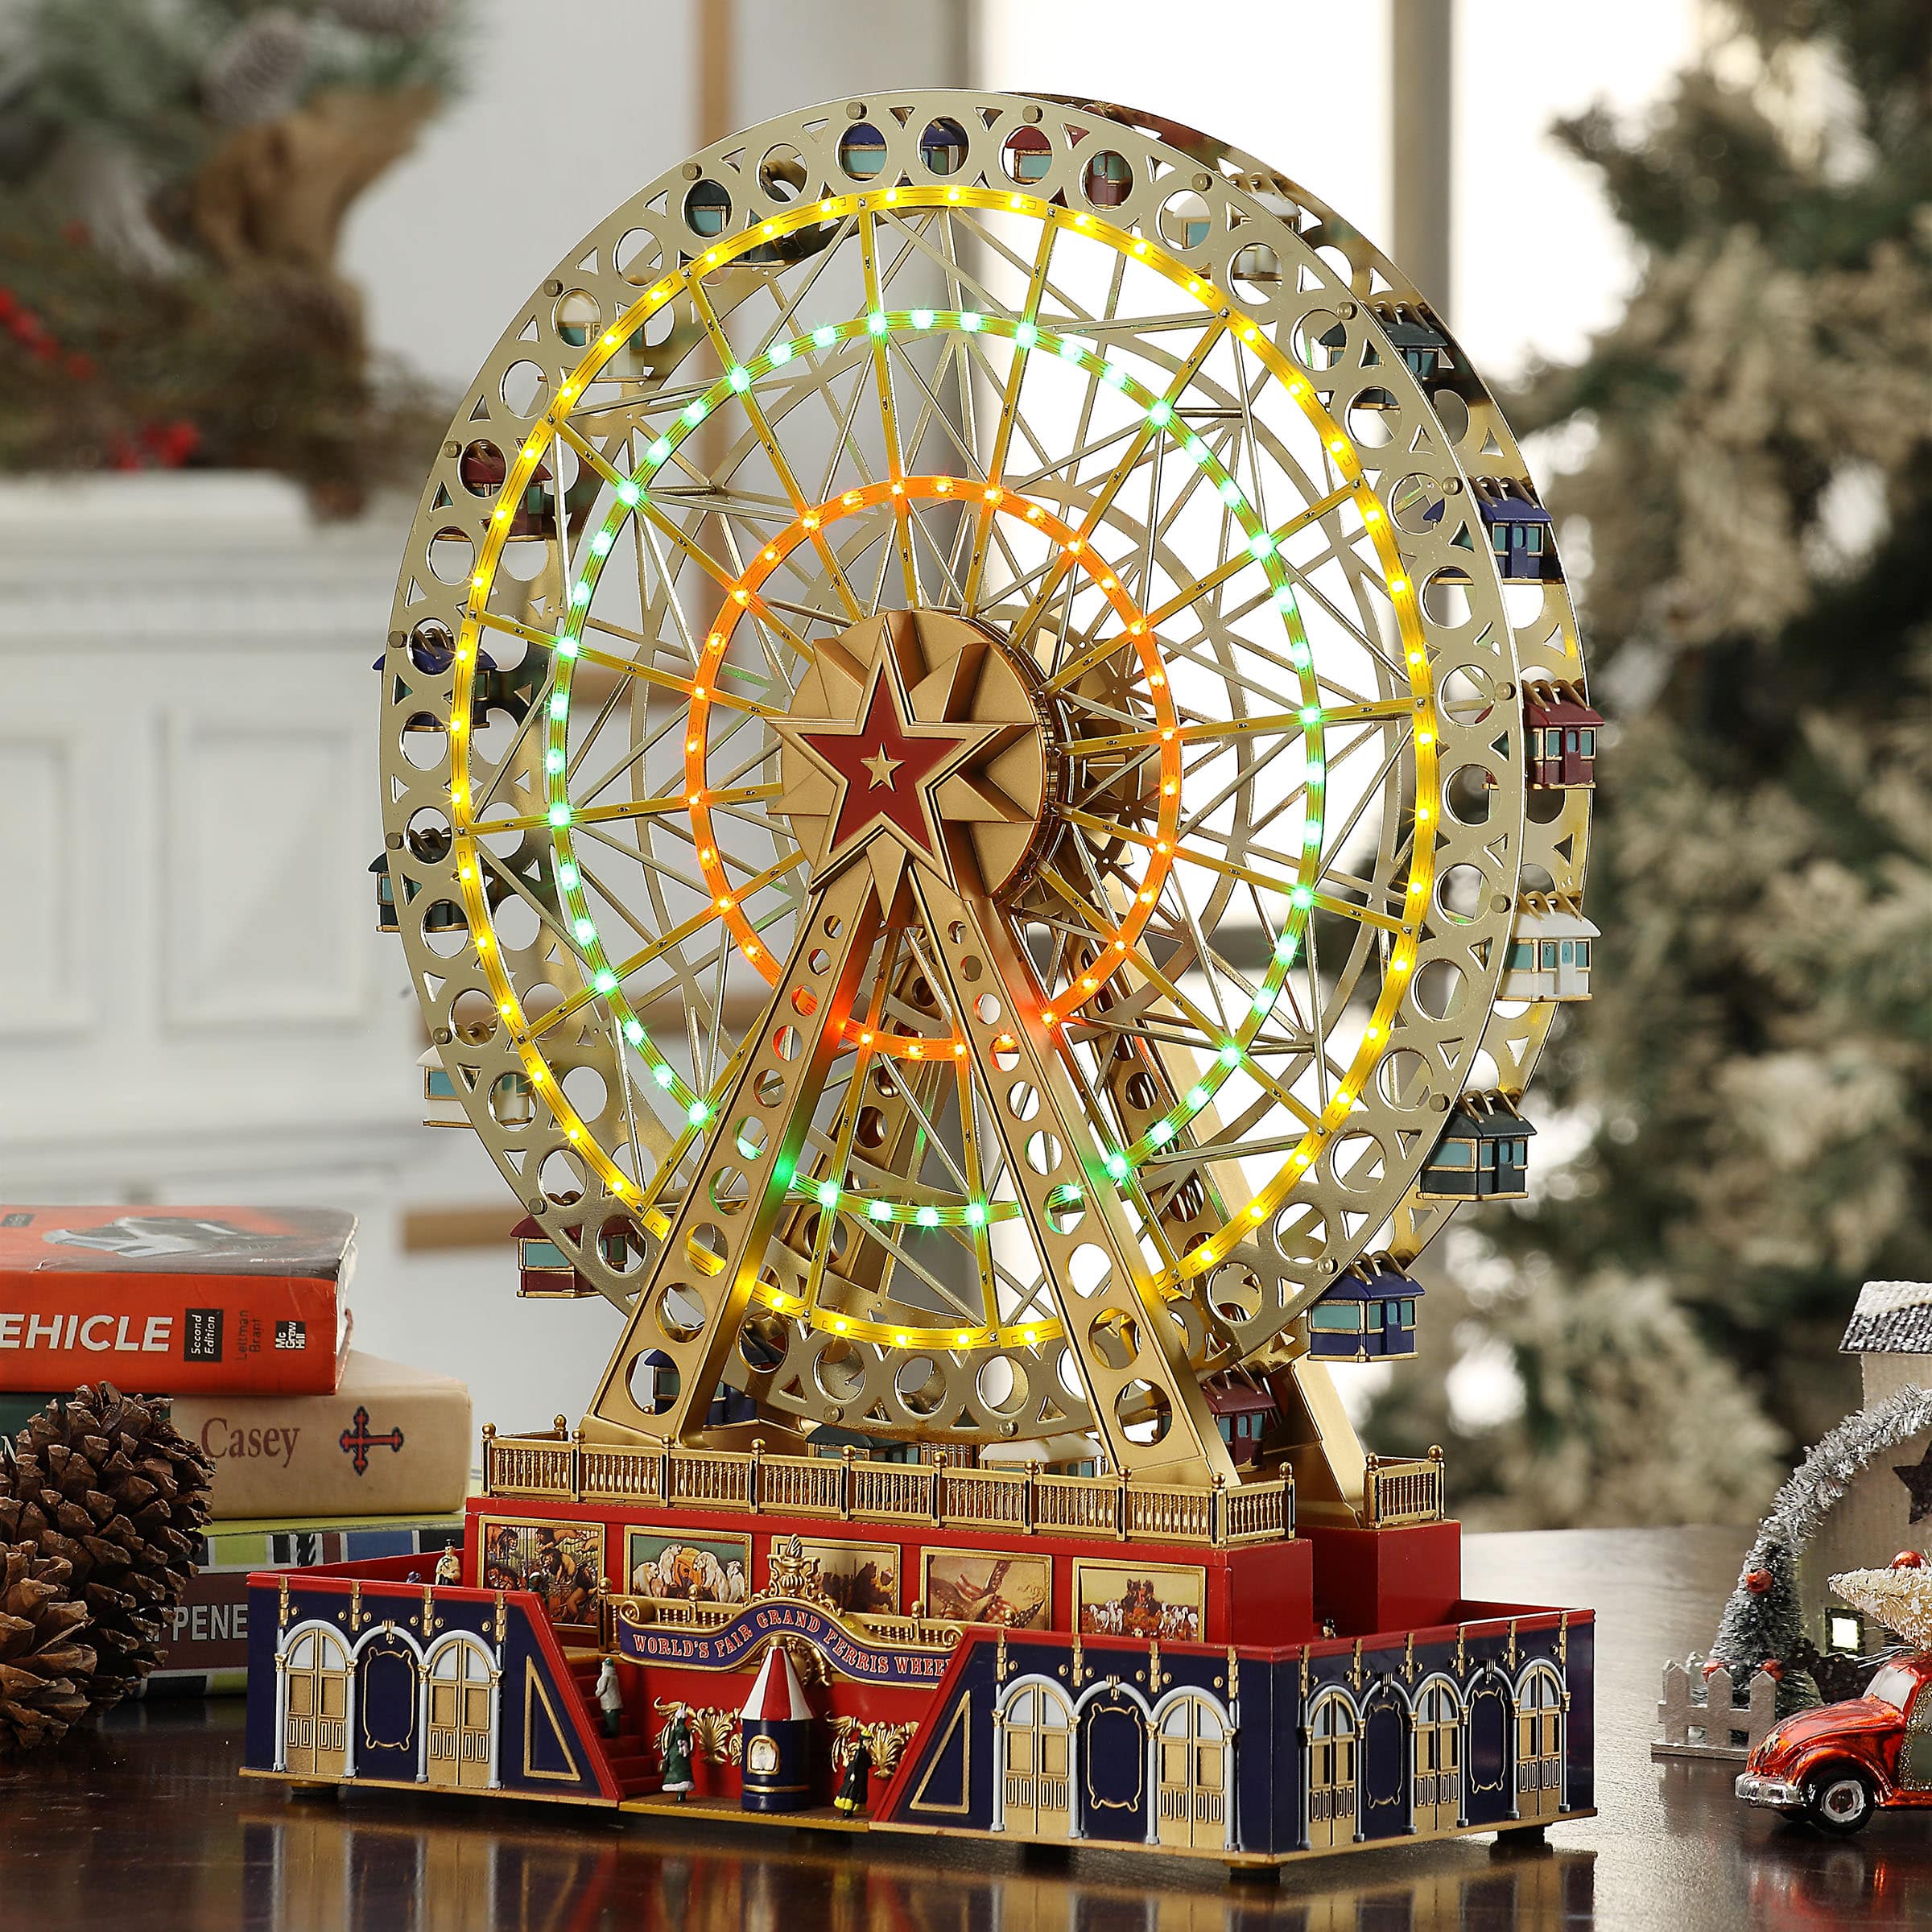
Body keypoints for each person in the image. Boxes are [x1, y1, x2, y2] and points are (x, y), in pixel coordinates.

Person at [659, 1708, 696, 1801]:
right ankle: (682, 1794)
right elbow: (689, 1741)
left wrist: (667, 1751)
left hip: (675, 1752)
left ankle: (679, 1793)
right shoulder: (686, 1730)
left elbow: (671, 1741)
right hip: (684, 1752)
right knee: (683, 1771)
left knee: (674, 1769)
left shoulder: (675, 1729)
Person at [833, 1736, 872, 1816]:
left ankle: (851, 1808)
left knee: (859, 1791)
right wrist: (853, 1774)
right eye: (868, 1741)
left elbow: (869, 1763)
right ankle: (847, 1809)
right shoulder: (859, 1752)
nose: (870, 1743)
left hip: (862, 1775)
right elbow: (855, 1763)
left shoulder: (866, 1753)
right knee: (852, 1790)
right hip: (856, 1774)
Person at [595, 1656, 624, 1738]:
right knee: (614, 1720)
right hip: (615, 1702)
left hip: (609, 1704)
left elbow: (602, 1689)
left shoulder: (606, 1677)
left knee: (611, 1719)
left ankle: (612, 1733)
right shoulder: (614, 1676)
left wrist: (597, 1694)